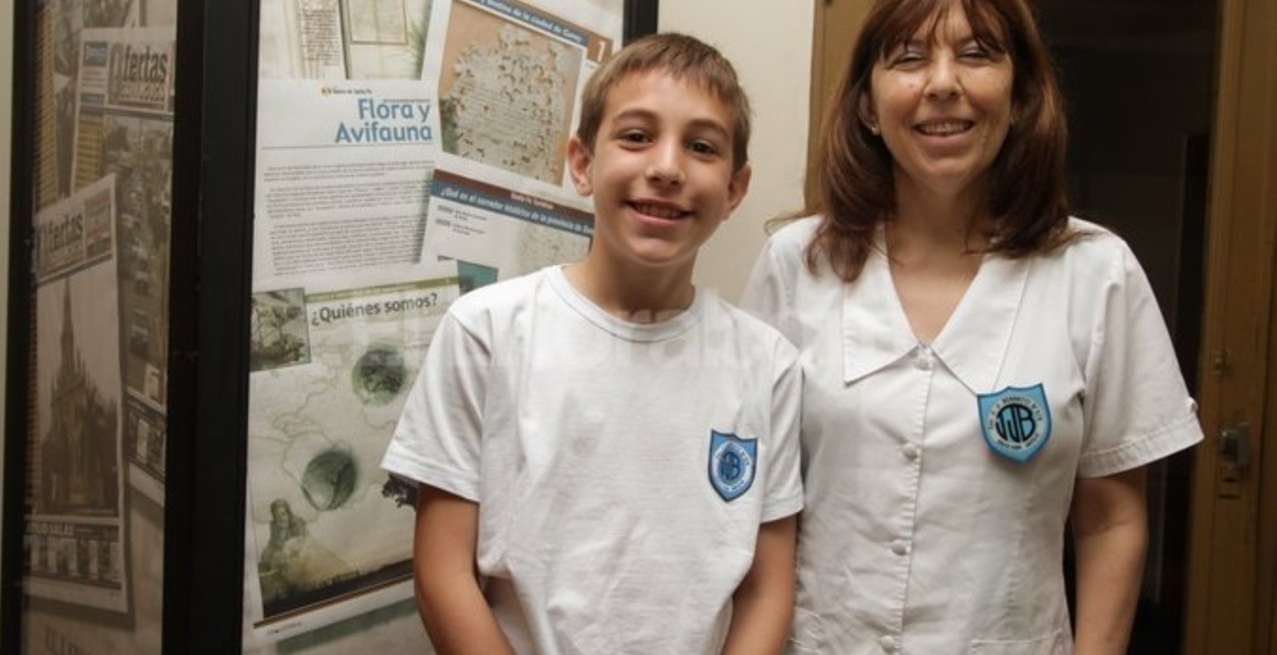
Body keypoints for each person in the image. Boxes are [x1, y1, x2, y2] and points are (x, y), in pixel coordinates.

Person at [740, 0, 1204, 653]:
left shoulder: (1096, 273)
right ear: (869, 107)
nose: (942, 83)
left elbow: (1110, 519)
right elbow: (756, 502)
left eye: (978, 52)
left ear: (1020, 96)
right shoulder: (796, 264)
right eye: (908, 57)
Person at [382, 32, 803, 655]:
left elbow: (767, 591)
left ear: (735, 188)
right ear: (582, 162)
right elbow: (445, 574)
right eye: (636, 136)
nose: (666, 167)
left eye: (701, 146)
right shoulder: (488, 331)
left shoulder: (767, 365)